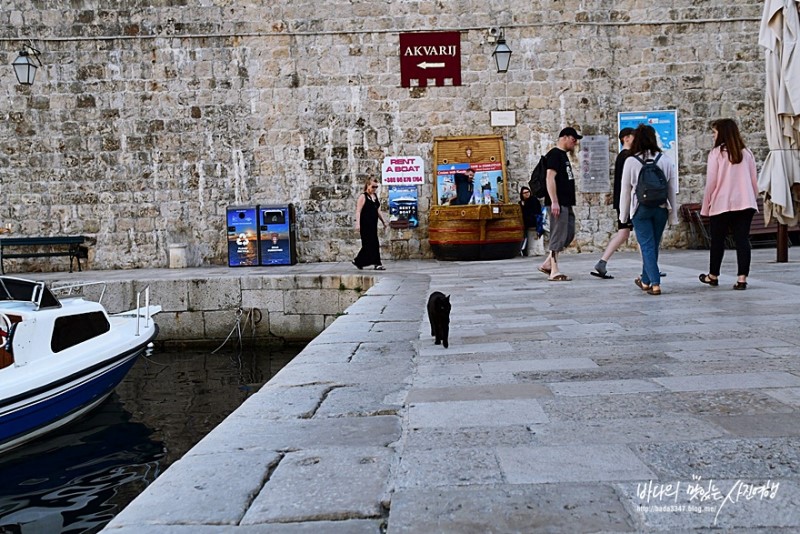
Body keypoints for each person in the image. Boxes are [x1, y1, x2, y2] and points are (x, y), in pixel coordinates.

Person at [698, 118, 759, 290]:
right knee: (742, 240)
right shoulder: (746, 153)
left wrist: (706, 204)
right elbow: (754, 181)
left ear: (722, 133)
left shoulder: (716, 153)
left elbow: (712, 182)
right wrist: (751, 198)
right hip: (745, 202)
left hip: (722, 202)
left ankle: (713, 275)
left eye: (715, 132)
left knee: (717, 240)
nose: (713, 136)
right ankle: (742, 278)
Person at [619, 124, 678, 295]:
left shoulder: (631, 161)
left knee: (646, 246)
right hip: (661, 207)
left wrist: (624, 216)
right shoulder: (665, 160)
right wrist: (673, 214)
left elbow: (626, 190)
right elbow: (671, 189)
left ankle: (655, 283)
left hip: (640, 208)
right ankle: (645, 281)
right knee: (653, 245)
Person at [538, 127, 582, 281]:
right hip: (558, 203)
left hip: (566, 203)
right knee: (558, 234)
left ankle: (547, 264)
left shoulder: (563, 155)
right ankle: (554, 271)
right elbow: (550, 178)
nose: (575, 143)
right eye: (573, 139)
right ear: (565, 137)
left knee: (568, 234)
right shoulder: (555, 155)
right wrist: (554, 201)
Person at [592, 127, 635, 279]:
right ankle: (651, 266)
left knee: (623, 233)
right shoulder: (627, 156)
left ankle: (602, 262)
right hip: (628, 202)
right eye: (633, 137)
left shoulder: (622, 156)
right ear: (626, 138)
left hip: (623, 201)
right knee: (640, 233)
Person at [353, 177, 387, 270]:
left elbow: (378, 211)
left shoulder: (375, 197)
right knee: (368, 244)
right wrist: (358, 224)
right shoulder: (363, 197)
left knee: (375, 243)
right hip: (365, 225)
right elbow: (358, 211)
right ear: (368, 185)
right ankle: (360, 261)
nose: (374, 189)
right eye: (373, 186)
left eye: (376, 187)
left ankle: (365, 262)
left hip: (373, 224)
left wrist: (383, 221)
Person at [519, 185, 544, 256]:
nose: (527, 194)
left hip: (534, 221)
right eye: (525, 193)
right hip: (527, 223)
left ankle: (537, 251)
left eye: (528, 192)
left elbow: (533, 211)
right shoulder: (522, 202)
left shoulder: (533, 200)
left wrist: (524, 206)